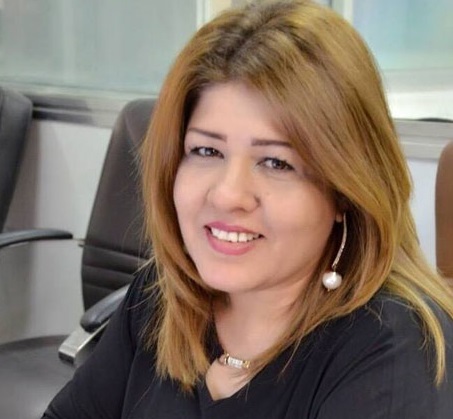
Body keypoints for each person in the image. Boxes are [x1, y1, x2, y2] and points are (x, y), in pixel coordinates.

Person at [43, 1, 453, 418]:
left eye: (276, 163)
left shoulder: (395, 350)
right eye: (206, 150)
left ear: (346, 192)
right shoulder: (161, 298)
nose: (227, 195)